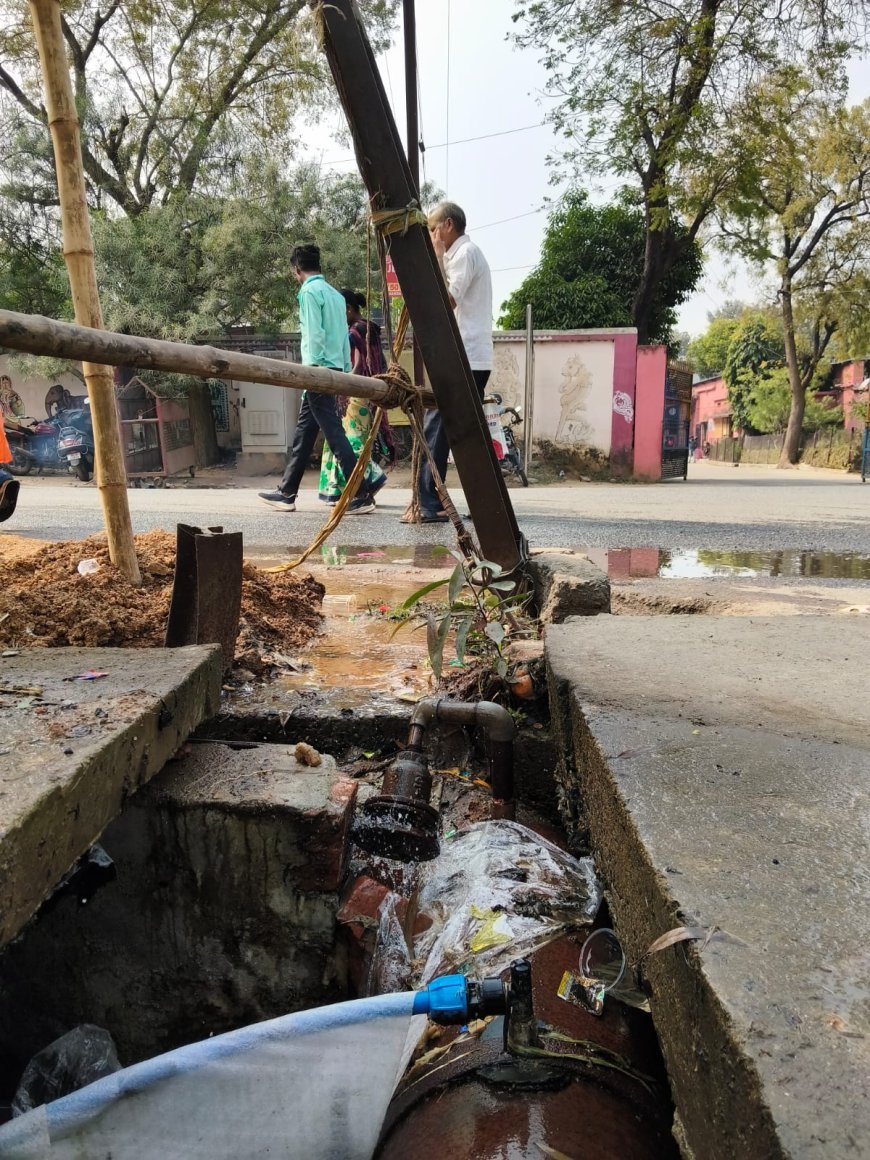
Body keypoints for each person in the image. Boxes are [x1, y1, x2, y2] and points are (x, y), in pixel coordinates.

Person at [258, 245, 379, 515]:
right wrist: (343, 371)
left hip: (317, 370)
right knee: (304, 434)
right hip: (334, 369)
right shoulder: (335, 295)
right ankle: (287, 492)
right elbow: (342, 336)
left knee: (335, 435)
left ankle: (360, 494)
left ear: (296, 270)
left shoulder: (309, 292)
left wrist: (312, 371)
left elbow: (314, 335)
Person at [413, 200, 493, 523]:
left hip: (465, 356)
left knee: (438, 426)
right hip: (472, 356)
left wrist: (435, 256)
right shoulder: (464, 255)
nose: (433, 235)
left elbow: (446, 300)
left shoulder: (463, 254)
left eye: (434, 229)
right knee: (465, 431)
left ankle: (430, 501)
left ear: (448, 225)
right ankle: (483, 502)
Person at [319, 290, 391, 505]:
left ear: (348, 309)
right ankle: (350, 488)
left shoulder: (354, 332)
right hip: (371, 393)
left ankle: (369, 482)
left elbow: (358, 365)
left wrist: (343, 390)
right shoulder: (370, 328)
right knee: (354, 441)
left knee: (348, 442)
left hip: (356, 393)